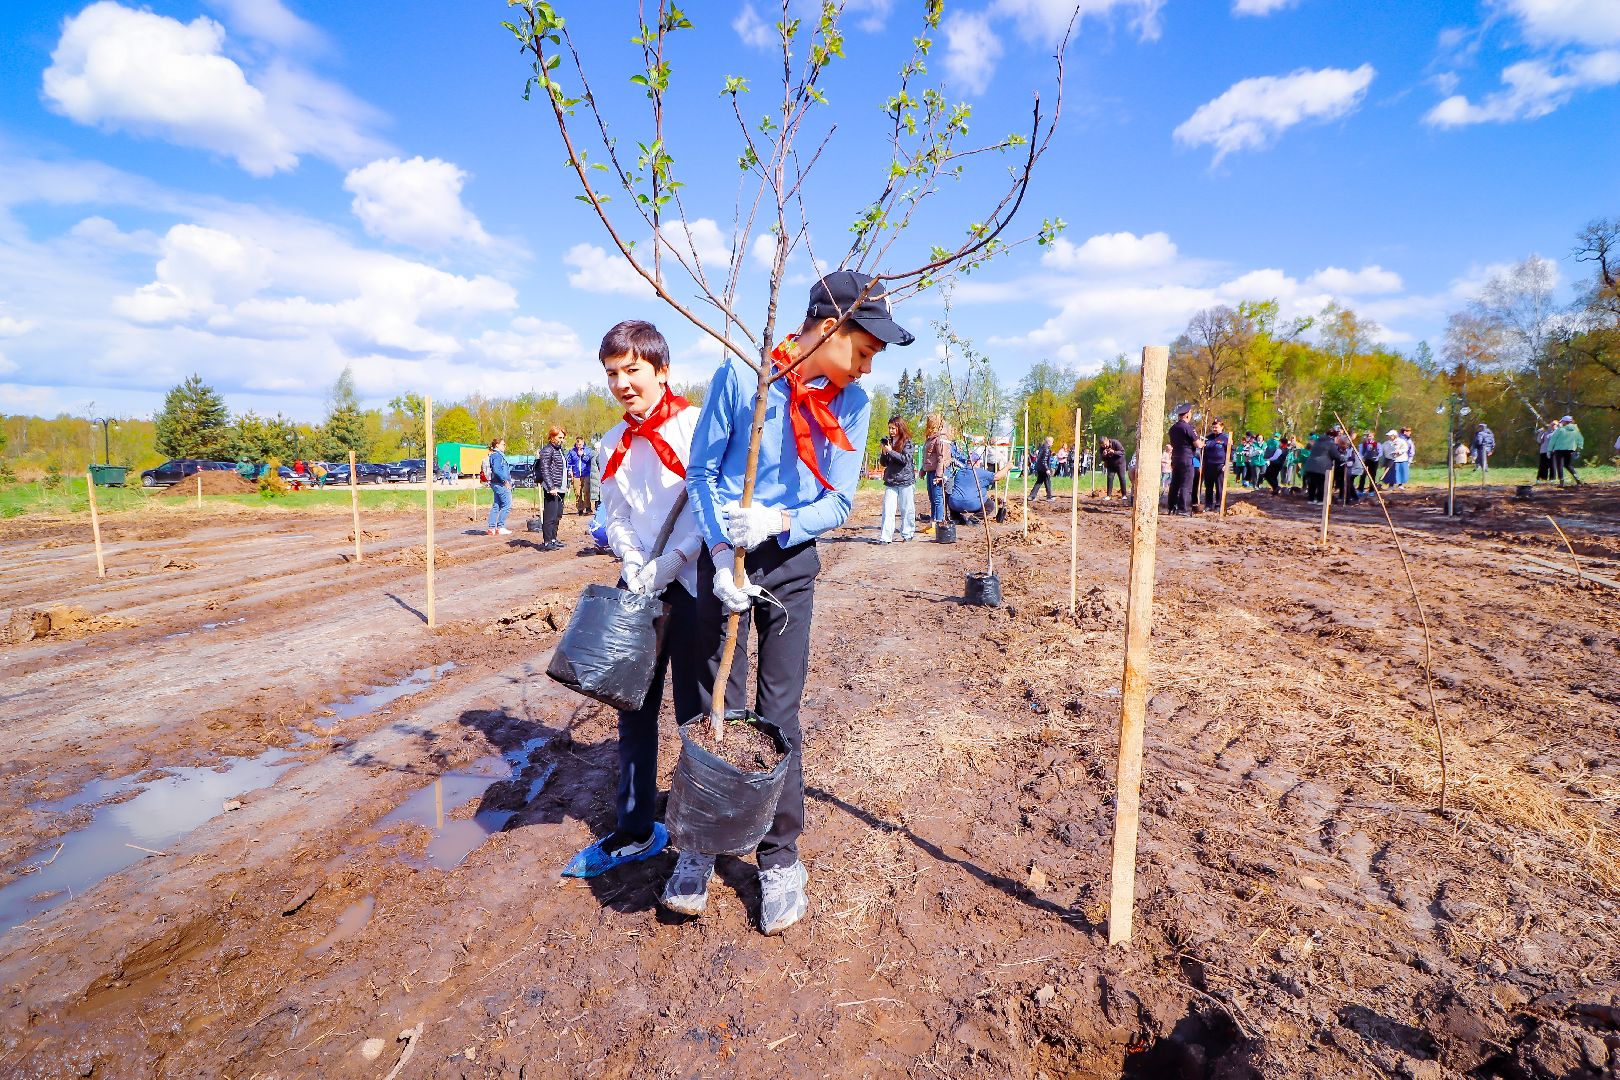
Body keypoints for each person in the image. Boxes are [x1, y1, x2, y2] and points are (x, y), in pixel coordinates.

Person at [677, 270, 913, 934]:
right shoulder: (742, 378)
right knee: (717, 707)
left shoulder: (853, 404)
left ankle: (779, 856)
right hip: (726, 554)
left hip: (789, 561)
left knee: (779, 713)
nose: (867, 367)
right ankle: (701, 844)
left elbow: (838, 502)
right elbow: (701, 471)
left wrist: (779, 520)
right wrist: (719, 550)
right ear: (830, 328)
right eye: (864, 350)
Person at [562, 320, 704, 880]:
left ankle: (697, 839)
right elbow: (614, 513)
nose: (621, 383)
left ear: (662, 370)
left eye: (632, 370)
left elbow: (710, 510)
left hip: (694, 587)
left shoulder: (696, 428)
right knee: (633, 709)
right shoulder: (610, 443)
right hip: (638, 589)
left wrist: (674, 560)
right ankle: (635, 828)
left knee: (696, 713)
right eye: (611, 373)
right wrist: (631, 560)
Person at [877, 418, 917, 543]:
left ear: (900, 428)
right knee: (888, 509)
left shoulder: (907, 442)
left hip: (905, 480)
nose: (891, 431)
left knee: (906, 509)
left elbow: (905, 460)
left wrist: (890, 451)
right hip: (891, 480)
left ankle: (907, 534)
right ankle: (885, 537)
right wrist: (884, 453)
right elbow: (884, 463)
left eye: (893, 428)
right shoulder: (889, 442)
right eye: (889, 428)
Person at [947, 455, 1009, 524]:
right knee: (990, 504)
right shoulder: (980, 472)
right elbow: (997, 476)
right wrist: (1007, 467)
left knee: (952, 497)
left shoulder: (959, 472)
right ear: (977, 462)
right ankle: (974, 519)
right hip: (972, 504)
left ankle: (957, 518)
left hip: (955, 504)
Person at [919, 413, 951, 536]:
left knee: (938, 498)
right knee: (932, 498)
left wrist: (939, 475)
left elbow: (941, 458)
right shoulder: (930, 438)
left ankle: (939, 523)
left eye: (929, 421)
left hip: (937, 472)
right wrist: (923, 469)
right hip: (930, 471)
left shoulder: (940, 439)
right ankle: (932, 523)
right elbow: (928, 456)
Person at [538, 427, 568, 550]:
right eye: (559, 437)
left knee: (557, 515)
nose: (562, 440)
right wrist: (551, 487)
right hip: (553, 488)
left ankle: (554, 539)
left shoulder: (559, 450)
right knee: (550, 516)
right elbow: (544, 469)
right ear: (552, 437)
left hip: (561, 487)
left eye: (563, 437)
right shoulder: (547, 450)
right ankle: (547, 541)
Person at [1166, 404, 1198, 514]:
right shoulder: (1187, 427)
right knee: (1186, 484)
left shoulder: (1172, 428)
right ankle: (1183, 509)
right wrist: (1202, 444)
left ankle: (1171, 507)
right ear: (1187, 414)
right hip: (1186, 457)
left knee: (1175, 483)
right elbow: (1197, 444)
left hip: (1175, 458)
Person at [1303, 430, 1344, 504]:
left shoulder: (1317, 442)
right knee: (1321, 484)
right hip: (1322, 466)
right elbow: (1336, 455)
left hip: (1310, 465)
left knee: (1312, 483)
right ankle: (1320, 500)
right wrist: (1342, 459)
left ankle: (1311, 499)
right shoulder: (1330, 444)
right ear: (1333, 437)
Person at [484, 438, 514, 536]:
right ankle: (500, 527)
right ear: (497, 445)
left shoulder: (494, 455)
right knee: (507, 505)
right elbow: (497, 470)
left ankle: (491, 528)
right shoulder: (497, 456)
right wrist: (505, 481)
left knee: (496, 505)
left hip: (495, 483)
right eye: (503, 444)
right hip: (501, 483)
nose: (505, 446)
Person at [1200, 419, 1230, 512]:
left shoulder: (1226, 438)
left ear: (1222, 427)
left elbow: (1230, 452)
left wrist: (1227, 464)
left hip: (1220, 465)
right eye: (1213, 427)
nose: (1214, 429)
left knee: (1219, 487)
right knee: (1208, 486)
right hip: (1208, 465)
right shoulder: (1208, 438)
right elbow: (1203, 451)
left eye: (1216, 427)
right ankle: (1208, 505)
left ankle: (1218, 505)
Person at [1549, 414, 1584, 486]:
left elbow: (1553, 440)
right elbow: (1580, 439)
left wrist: (1549, 450)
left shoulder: (1560, 430)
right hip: (1571, 450)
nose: (1561, 422)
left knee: (1559, 465)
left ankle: (1561, 482)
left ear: (1565, 422)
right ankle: (1578, 479)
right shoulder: (1576, 430)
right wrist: (1579, 449)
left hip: (1559, 450)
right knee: (1569, 465)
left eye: (1562, 421)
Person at [567, 436, 594, 515]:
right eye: (577, 444)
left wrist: (582, 455)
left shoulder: (588, 450)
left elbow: (590, 461)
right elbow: (569, 462)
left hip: (586, 473)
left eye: (580, 444)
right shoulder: (572, 452)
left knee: (586, 491)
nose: (579, 446)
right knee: (577, 492)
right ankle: (580, 508)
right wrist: (570, 471)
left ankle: (588, 507)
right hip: (576, 474)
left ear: (583, 443)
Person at [1028, 436, 1055, 502]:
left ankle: (1032, 496)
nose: (1052, 444)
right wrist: (1047, 469)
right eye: (1052, 442)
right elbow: (1044, 461)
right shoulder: (1046, 449)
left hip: (1039, 467)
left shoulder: (1042, 448)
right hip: (1044, 468)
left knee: (1039, 482)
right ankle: (1049, 497)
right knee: (1048, 482)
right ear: (1048, 442)